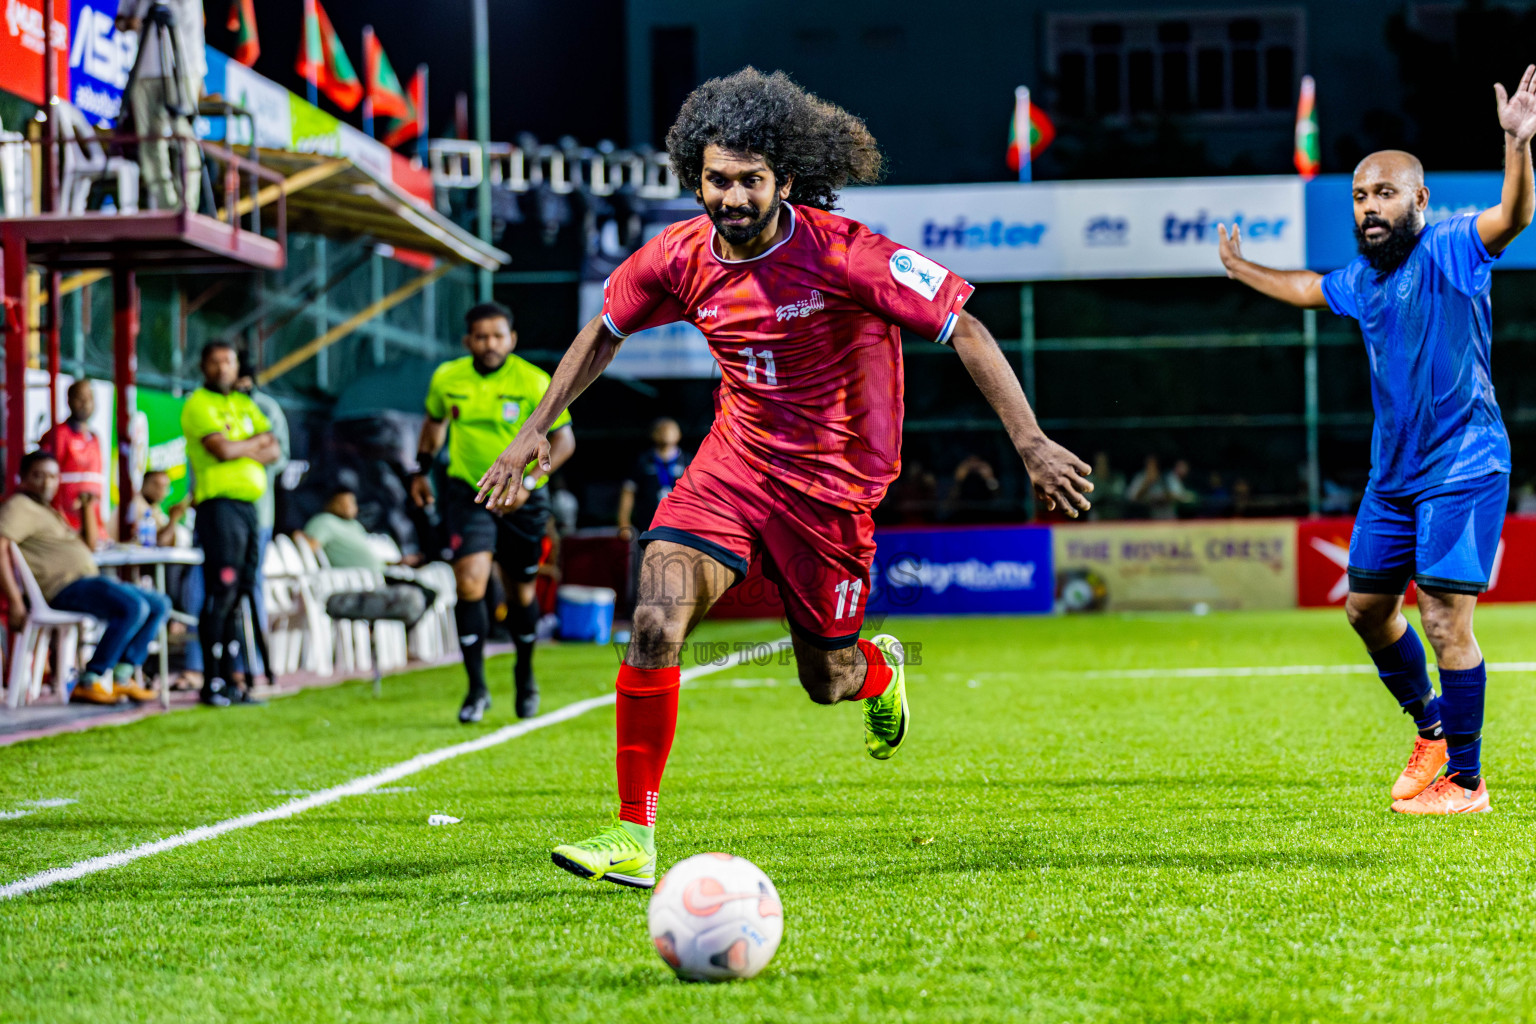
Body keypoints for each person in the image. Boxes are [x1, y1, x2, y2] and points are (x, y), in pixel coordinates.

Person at [474, 68, 1092, 888]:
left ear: (786, 181)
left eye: (749, 180)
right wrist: (531, 432)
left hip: (831, 490)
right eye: (716, 179)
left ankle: (878, 671)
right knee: (655, 616)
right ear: (695, 177)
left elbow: (967, 329)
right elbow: (603, 332)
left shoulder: (847, 253)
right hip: (732, 467)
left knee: (826, 680)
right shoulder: (680, 255)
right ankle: (632, 833)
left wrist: (1032, 442)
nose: (730, 197)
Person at [1215, 65, 1536, 815]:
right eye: (1360, 196)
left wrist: (1518, 145)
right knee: (1365, 609)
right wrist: (1240, 268)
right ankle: (1432, 730)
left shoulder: (1454, 246)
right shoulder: (1363, 280)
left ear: (1420, 199)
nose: (1369, 207)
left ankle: (1467, 782)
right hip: (1392, 479)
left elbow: (1514, 216)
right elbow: (1306, 286)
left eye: (1384, 193)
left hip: (1464, 465)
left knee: (1444, 619)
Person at [410, 302, 577, 724]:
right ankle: (476, 690)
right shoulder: (447, 378)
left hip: (523, 499)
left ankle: (525, 674)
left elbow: (564, 442)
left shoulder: (534, 381)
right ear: (468, 341)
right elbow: (434, 424)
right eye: (481, 337)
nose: (490, 344)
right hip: (468, 492)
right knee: (469, 582)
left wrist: (528, 484)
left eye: (498, 336)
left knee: (521, 594)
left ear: (512, 339)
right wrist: (421, 470)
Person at [0, 451, 165, 704]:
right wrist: (15, 601)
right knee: (134, 606)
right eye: (38, 476)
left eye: (53, 476)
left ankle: (122, 675)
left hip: (86, 583)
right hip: (63, 588)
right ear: (22, 478)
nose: (47, 483)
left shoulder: (48, 510)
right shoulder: (19, 506)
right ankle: (90, 678)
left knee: (159, 604)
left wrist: (88, 508)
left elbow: (88, 545)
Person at [181, 341, 282, 707]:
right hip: (218, 510)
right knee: (220, 592)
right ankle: (211, 682)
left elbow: (274, 449)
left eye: (228, 361)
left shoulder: (244, 404)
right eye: (215, 361)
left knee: (241, 592)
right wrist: (252, 444)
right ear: (203, 366)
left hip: (250, 510)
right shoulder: (198, 404)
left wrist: (242, 444)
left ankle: (233, 681)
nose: (223, 367)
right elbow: (221, 450)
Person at [115, 0, 206, 211]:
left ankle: (188, 206)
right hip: (145, 69)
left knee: (183, 134)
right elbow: (120, 20)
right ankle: (167, 206)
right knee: (150, 140)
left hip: (183, 66)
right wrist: (132, 23)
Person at [37, 380, 106, 537]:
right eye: (80, 397)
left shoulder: (95, 438)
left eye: (89, 398)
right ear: (68, 401)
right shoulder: (58, 435)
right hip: (64, 527)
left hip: (94, 528)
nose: (85, 403)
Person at [617, 418, 689, 540]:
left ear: (679, 434)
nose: (666, 432)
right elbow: (628, 491)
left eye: (670, 429)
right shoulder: (642, 461)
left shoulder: (689, 461)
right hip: (647, 527)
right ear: (653, 434)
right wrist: (623, 522)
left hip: (681, 527)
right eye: (661, 429)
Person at [301, 486, 389, 574]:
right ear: (331, 503)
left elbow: (366, 553)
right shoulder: (325, 521)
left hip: (381, 573)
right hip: (355, 579)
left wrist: (391, 563)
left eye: (352, 502)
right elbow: (307, 548)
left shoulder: (355, 525)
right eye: (342, 502)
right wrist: (298, 536)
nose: (348, 506)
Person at [127, 469, 190, 547]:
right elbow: (162, 542)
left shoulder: (154, 507)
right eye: (157, 485)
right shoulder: (136, 505)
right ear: (145, 484)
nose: (162, 491)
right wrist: (173, 519)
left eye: (165, 486)